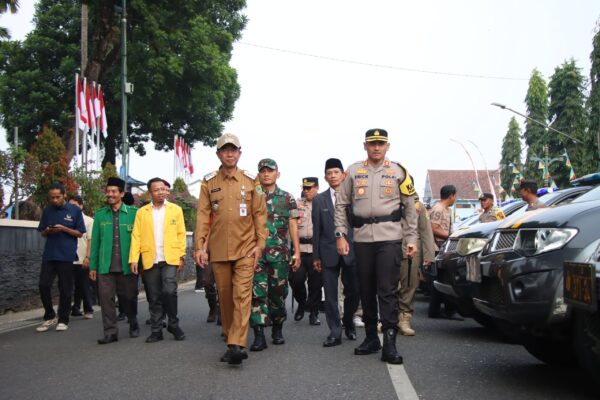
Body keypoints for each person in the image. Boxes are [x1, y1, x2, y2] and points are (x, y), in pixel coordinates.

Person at [335, 129, 418, 365]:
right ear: (365, 146)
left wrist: (411, 239)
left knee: (387, 289)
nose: (377, 148)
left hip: (390, 237)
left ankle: (389, 341)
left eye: (381, 143)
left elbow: (410, 207)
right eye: (372, 144)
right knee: (366, 288)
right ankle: (371, 337)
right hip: (362, 238)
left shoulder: (399, 172)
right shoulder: (352, 171)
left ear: (387, 146)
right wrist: (341, 235)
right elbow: (341, 206)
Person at [194, 133, 267, 365]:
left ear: (239, 153)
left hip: (246, 248)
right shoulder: (208, 182)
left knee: (241, 295)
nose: (229, 153)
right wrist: (200, 247)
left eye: (233, 150)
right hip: (218, 250)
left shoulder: (251, 181)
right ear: (218, 154)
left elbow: (259, 215)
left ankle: (236, 344)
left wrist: (260, 245)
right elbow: (203, 216)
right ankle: (229, 334)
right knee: (224, 297)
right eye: (225, 150)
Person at [249, 158, 301, 351]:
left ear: (277, 174)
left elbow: (293, 225)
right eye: (262, 171)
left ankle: (277, 328)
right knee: (257, 294)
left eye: (270, 171)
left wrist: (297, 252)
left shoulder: (287, 198)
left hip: (279, 255)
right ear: (258, 174)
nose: (266, 174)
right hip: (256, 254)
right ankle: (259, 334)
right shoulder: (251, 196)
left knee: (278, 295)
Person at [130, 178, 187, 343]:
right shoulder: (142, 212)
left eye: (163, 189)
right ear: (150, 193)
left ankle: (173, 324)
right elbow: (136, 237)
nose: (161, 192)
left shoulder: (175, 210)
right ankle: (156, 330)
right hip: (150, 258)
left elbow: (181, 234)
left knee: (169, 290)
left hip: (170, 257)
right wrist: (134, 259)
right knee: (153, 296)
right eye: (157, 190)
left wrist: (181, 255)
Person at [313, 158, 360, 347]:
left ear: (343, 175)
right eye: (329, 173)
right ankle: (335, 331)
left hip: (352, 251)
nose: (333, 176)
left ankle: (348, 322)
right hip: (328, 253)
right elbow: (317, 229)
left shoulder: (355, 196)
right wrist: (316, 256)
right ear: (325, 177)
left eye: (336, 172)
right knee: (330, 295)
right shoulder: (319, 199)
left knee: (354, 292)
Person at [88, 177, 140, 344]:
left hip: (127, 266)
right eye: (108, 191)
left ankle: (133, 322)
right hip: (105, 266)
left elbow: (140, 239)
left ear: (121, 194)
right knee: (106, 299)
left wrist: (139, 262)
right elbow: (95, 242)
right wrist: (93, 266)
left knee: (130, 297)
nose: (110, 194)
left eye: (113, 192)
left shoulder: (134, 214)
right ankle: (110, 332)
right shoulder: (100, 215)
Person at [36, 182, 86, 332]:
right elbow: (42, 232)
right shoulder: (48, 210)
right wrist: (48, 231)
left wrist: (64, 228)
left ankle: (63, 318)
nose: (55, 200)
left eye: (58, 197)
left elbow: (80, 233)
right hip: (49, 253)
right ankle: (49, 315)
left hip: (66, 254)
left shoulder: (74, 210)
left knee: (65, 288)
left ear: (64, 195)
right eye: (52, 197)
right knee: (43, 285)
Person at [397, 195, 436, 336]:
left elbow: (425, 230)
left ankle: (404, 318)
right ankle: (387, 317)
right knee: (387, 284)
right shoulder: (386, 201)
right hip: (388, 248)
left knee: (410, 285)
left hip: (411, 250)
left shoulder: (418, 205)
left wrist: (429, 255)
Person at [289, 177, 323, 325]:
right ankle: (302, 303)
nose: (306, 191)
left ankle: (314, 312)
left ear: (317, 188)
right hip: (300, 249)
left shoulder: (322, 203)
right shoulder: (297, 204)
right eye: (304, 188)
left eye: (309, 188)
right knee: (295, 280)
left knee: (316, 284)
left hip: (317, 250)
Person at [428, 184, 461, 320]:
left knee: (442, 280)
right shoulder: (438, 209)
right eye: (455, 195)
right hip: (438, 248)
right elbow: (433, 228)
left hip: (444, 248)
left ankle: (441, 310)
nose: (456, 198)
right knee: (441, 280)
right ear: (451, 195)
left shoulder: (445, 209)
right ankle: (441, 310)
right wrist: (451, 237)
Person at [68, 195, 95, 319]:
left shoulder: (89, 221)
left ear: (81, 206)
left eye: (74, 205)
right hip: (68, 258)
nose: (71, 208)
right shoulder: (67, 220)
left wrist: (88, 257)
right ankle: (74, 308)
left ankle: (88, 309)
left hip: (82, 258)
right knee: (69, 286)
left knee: (84, 285)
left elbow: (91, 240)